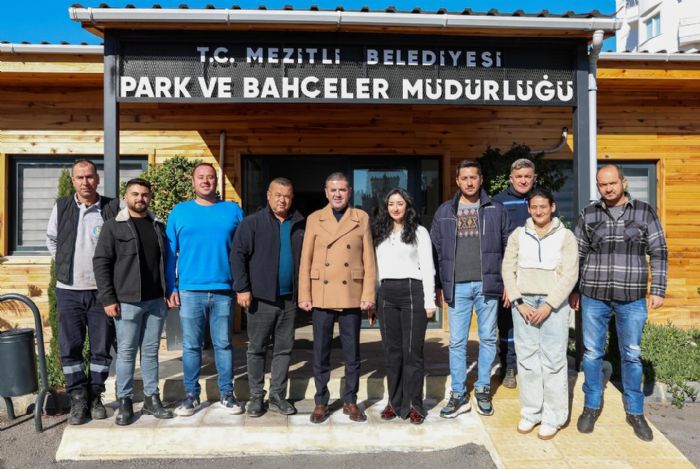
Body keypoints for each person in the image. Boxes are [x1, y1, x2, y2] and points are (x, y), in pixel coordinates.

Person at [570, 164, 668, 442]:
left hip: (632, 297)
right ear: (598, 187)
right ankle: (591, 405)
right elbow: (576, 255)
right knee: (591, 353)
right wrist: (574, 289)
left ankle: (635, 411)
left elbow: (659, 251)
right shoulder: (589, 214)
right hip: (594, 295)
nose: (608, 188)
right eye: (603, 184)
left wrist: (658, 289)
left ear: (623, 182)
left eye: (612, 183)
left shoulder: (644, 212)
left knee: (632, 354)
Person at [431, 159, 513, 418]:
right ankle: (458, 393)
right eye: (464, 178)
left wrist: (508, 283)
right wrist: (438, 284)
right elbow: (435, 251)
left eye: (473, 177)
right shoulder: (444, 211)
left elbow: (510, 248)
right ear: (457, 181)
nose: (469, 182)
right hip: (457, 286)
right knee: (457, 342)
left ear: (481, 179)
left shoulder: (496, 210)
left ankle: (483, 387)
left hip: (488, 285)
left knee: (487, 338)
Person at [165, 162, 245, 416]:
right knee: (191, 346)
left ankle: (227, 394)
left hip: (223, 289)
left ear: (216, 181)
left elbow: (243, 251)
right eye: (201, 177)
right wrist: (171, 286)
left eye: (210, 177)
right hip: (190, 291)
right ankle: (191, 395)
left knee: (223, 344)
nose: (206, 181)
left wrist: (242, 285)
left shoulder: (232, 211)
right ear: (193, 181)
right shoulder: (179, 212)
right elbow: (169, 254)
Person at [93, 178, 173, 425]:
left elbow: (166, 261)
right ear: (126, 197)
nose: (140, 198)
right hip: (127, 302)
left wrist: (168, 291)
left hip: (155, 300)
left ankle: (151, 399)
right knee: (126, 353)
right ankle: (125, 402)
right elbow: (101, 263)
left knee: (150, 352)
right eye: (135, 194)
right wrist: (108, 298)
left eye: (145, 194)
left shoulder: (158, 226)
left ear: (150, 197)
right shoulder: (113, 227)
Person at [298, 172, 377, 424]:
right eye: (333, 190)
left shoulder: (361, 217)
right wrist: (304, 294)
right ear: (326, 192)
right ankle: (321, 402)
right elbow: (306, 259)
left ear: (349, 191)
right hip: (321, 293)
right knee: (320, 352)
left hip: (351, 293)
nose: (337, 194)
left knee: (352, 353)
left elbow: (369, 259)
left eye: (342, 190)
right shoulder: (314, 218)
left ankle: (350, 401)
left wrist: (368, 294)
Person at [46, 159, 119, 425]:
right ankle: (78, 399)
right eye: (80, 177)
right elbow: (52, 239)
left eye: (89, 177)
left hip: (102, 292)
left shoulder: (112, 207)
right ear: (73, 180)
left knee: (101, 349)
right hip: (69, 291)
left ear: (97, 179)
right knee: (70, 347)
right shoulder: (62, 206)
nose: (85, 182)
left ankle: (95, 396)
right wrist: (65, 263)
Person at [501, 188, 578, 440]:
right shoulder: (518, 234)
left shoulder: (566, 236)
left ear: (552, 207)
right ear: (528, 208)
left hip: (553, 304)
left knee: (554, 360)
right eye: (534, 206)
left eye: (543, 206)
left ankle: (553, 417)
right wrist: (518, 301)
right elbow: (508, 269)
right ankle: (531, 412)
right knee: (527, 359)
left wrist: (549, 305)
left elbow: (570, 274)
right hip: (523, 303)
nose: (538, 211)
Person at [231, 178, 305, 417]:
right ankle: (256, 396)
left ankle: (277, 395)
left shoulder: (300, 224)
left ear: (292, 198)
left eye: (287, 196)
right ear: (268, 195)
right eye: (278, 195)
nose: (282, 200)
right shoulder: (252, 223)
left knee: (284, 349)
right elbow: (237, 256)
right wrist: (242, 288)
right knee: (257, 349)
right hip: (260, 299)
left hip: (289, 299)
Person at [371, 188, 436, 425]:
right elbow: (375, 269)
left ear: (407, 206)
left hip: (412, 292)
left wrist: (429, 300)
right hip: (386, 294)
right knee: (392, 352)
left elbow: (428, 267)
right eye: (391, 204)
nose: (395, 208)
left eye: (400, 203)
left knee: (412, 352)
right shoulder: (380, 232)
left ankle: (414, 405)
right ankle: (394, 402)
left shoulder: (419, 232)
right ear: (386, 207)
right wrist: (373, 300)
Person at [493, 158, 538, 389]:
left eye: (527, 177)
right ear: (511, 179)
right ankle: (508, 366)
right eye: (519, 177)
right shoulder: (499, 202)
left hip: (536, 274)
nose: (523, 181)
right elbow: (494, 244)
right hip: (509, 273)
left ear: (534, 178)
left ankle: (531, 366)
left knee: (534, 321)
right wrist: (504, 281)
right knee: (507, 323)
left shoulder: (540, 200)